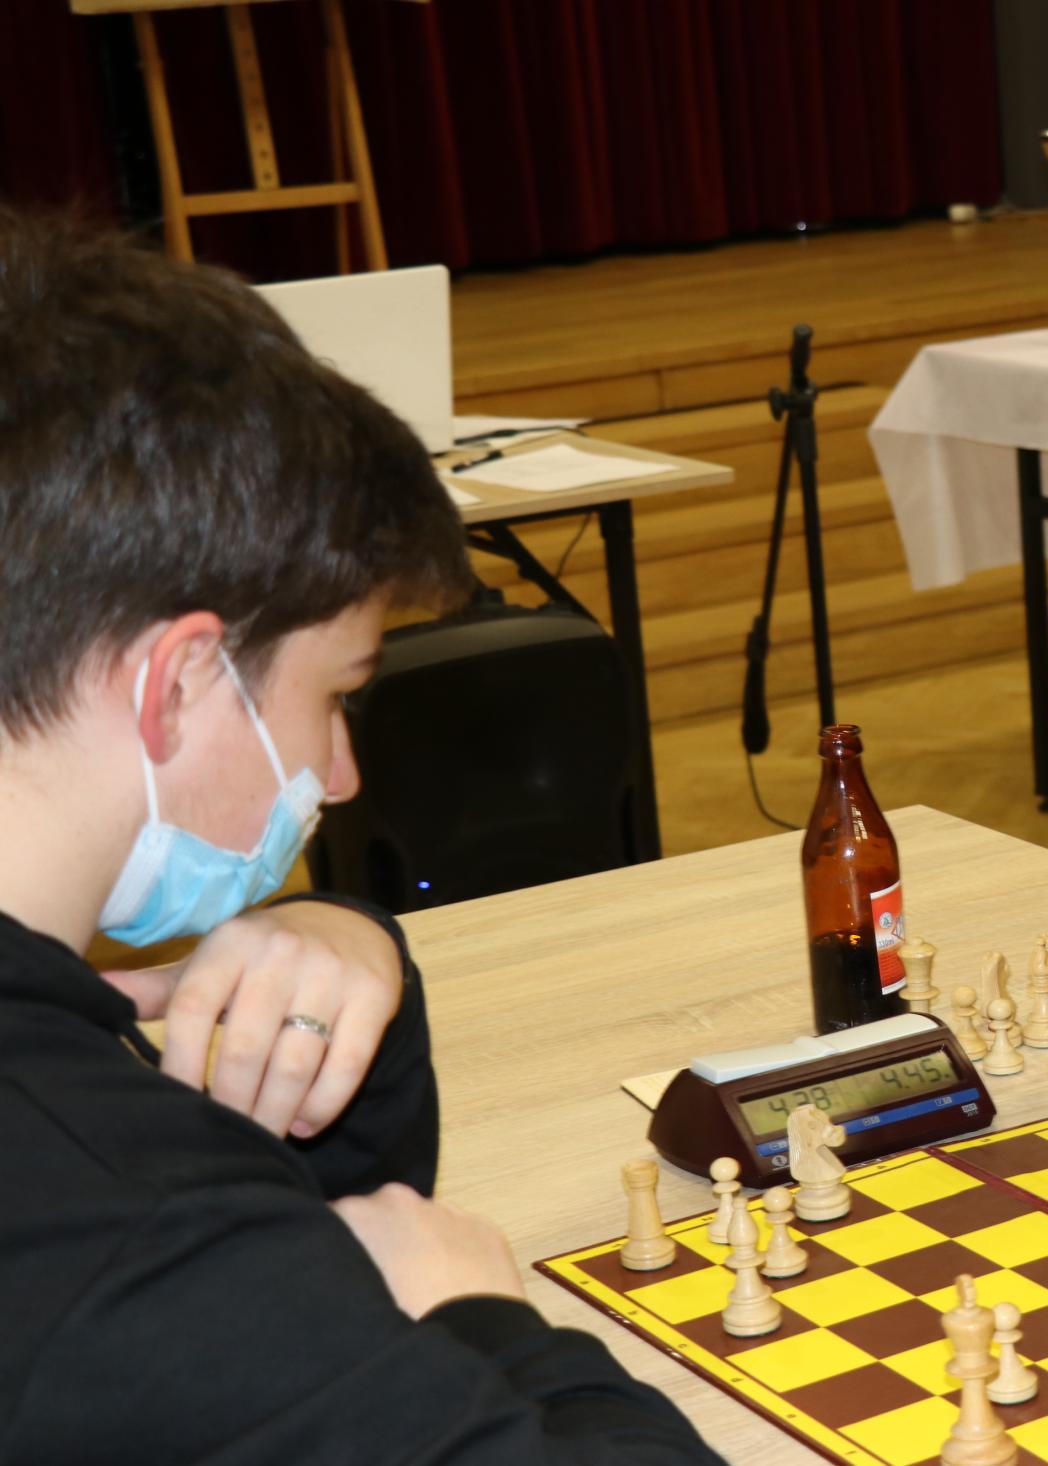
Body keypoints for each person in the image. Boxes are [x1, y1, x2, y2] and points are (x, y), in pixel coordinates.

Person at [0, 212, 717, 1459]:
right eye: (336, 693)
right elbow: (241, 1279)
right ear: (176, 681)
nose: (340, 777)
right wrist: (482, 1318)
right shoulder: (131, 1227)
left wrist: (342, 938)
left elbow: (300, 1239)